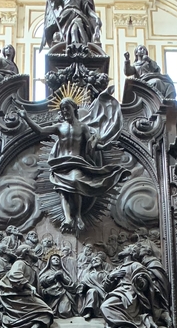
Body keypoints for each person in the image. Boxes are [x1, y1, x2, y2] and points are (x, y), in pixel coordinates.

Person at [21, 94, 128, 232]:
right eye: (62, 109)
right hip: (60, 164)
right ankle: (68, 218)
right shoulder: (60, 127)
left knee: (75, 181)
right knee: (62, 191)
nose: (64, 111)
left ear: (74, 108)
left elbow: (92, 145)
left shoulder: (83, 127)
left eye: (67, 108)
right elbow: (40, 131)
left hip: (77, 162)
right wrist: (26, 117)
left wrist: (104, 146)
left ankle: (77, 215)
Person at [35, 0, 101, 50]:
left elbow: (88, 10)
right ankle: (75, 47)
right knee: (74, 25)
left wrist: (96, 17)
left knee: (78, 24)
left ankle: (76, 46)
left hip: (78, 16)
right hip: (65, 18)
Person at [0, 259, 54, 328]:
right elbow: (14, 275)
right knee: (46, 311)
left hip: (26, 296)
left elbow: (38, 289)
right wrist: (29, 286)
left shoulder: (32, 269)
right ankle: (3, 318)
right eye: (32, 251)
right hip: (17, 296)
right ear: (26, 252)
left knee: (46, 311)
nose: (34, 252)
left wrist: (48, 292)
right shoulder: (19, 263)